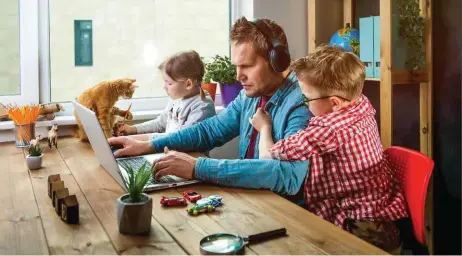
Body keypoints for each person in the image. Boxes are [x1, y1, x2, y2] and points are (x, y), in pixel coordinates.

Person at [108, 17, 312, 198]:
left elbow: (289, 176)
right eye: (236, 66)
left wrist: (198, 168)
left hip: (286, 213)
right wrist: (149, 145)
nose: (238, 75)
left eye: (247, 66)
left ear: (277, 61)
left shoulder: (302, 103)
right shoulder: (250, 96)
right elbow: (210, 130)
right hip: (253, 201)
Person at [250, 45, 408, 253]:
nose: (304, 104)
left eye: (307, 98)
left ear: (334, 103)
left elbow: (267, 157)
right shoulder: (360, 104)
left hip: (365, 232)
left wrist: (265, 128)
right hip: (383, 215)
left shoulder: (329, 131)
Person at [117, 50, 216, 141]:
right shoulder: (177, 99)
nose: (165, 87)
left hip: (190, 158)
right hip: (170, 154)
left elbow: (179, 138)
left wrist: (136, 140)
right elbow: (160, 123)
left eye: (169, 83)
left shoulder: (203, 107)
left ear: (188, 84)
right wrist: (133, 129)